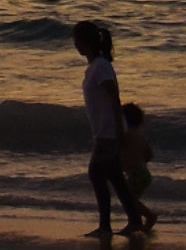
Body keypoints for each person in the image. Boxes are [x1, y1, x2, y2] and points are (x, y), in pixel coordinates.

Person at [73, 21, 157, 236]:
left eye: (76, 40)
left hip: (109, 131)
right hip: (105, 130)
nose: (75, 45)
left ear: (83, 43)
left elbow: (114, 98)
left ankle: (105, 227)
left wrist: (119, 130)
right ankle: (135, 221)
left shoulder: (101, 66)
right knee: (115, 177)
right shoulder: (95, 67)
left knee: (95, 173)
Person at [117, 105, 158, 217]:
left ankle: (149, 216)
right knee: (131, 199)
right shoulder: (140, 136)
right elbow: (149, 155)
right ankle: (138, 221)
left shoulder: (126, 135)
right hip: (144, 173)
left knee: (128, 199)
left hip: (136, 174)